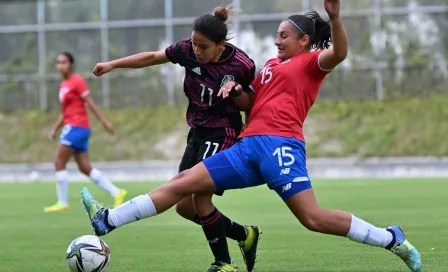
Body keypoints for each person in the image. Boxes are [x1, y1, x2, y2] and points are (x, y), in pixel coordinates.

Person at [81, 1, 422, 271]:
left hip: (280, 147)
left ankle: (390, 238)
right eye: (277, 35)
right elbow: (251, 101)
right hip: (247, 147)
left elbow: (341, 53)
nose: (277, 41)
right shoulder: (271, 66)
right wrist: (235, 90)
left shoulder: (311, 64)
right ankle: (109, 220)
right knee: (182, 183)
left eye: (284, 36)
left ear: (304, 41)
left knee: (313, 219)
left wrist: (335, 18)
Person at [90, 6, 260, 272]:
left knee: (201, 200)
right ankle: (244, 235)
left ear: (220, 45)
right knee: (184, 207)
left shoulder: (241, 64)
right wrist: (113, 64)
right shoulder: (187, 51)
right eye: (193, 44)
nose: (196, 51)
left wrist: (237, 95)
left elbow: (251, 101)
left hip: (223, 132)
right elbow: (152, 57)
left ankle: (225, 265)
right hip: (197, 132)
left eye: (203, 47)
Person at [44, 52, 128, 213]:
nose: (60, 65)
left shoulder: (77, 81)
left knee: (59, 162)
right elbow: (66, 112)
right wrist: (55, 128)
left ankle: (62, 202)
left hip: (76, 127)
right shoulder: (64, 85)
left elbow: (90, 103)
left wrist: (105, 122)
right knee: (84, 167)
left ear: (71, 64)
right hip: (75, 127)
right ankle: (117, 192)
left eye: (64, 62)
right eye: (58, 62)